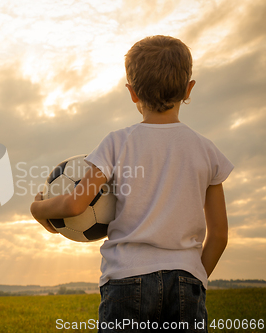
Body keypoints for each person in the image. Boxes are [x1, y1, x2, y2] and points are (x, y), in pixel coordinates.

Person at [30, 35, 233, 332]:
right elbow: (219, 234)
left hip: (127, 280)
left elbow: (75, 203)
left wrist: (38, 209)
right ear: (189, 89)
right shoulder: (207, 150)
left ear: (132, 93)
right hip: (187, 279)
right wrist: (196, 276)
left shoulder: (117, 143)